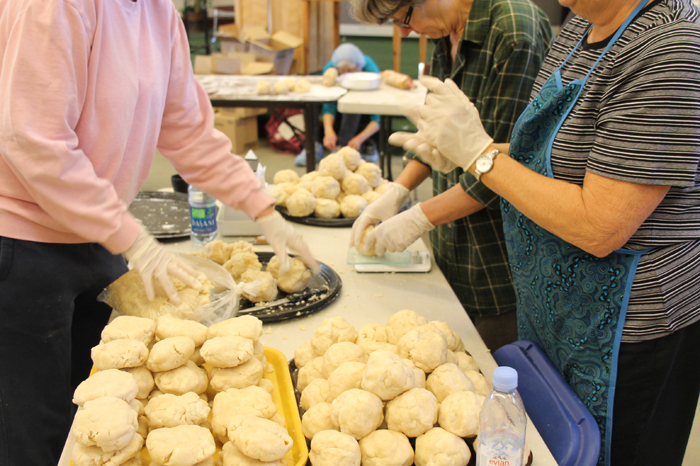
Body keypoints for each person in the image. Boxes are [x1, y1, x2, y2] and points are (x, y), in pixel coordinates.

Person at [0, 1, 318, 465]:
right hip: (25, 244)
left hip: (99, 233)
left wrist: (262, 208)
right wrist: (132, 239)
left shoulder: (158, 12)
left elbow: (187, 130)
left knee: (102, 417)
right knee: (35, 427)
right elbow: (32, 138)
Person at [390, 0, 700, 463]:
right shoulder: (582, 23)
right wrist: (470, 150)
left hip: (624, 326)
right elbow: (559, 147)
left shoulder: (669, 47)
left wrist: (480, 156)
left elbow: (601, 226)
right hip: (556, 303)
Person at [348, 0, 552, 351]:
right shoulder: (447, 30)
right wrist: (396, 191)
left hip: (498, 261)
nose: (407, 32)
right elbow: (437, 134)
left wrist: (417, 218)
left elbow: (503, 169)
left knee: (490, 370)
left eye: (405, 19)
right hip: (452, 241)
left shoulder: (515, 31)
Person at [294, 43, 382, 166]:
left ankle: (344, 146)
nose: (346, 74)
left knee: (351, 104)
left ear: (359, 67)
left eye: (350, 70)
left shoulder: (370, 72)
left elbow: (376, 118)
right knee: (310, 103)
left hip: (360, 110)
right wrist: (328, 131)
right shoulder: (331, 69)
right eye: (343, 70)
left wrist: (359, 139)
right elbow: (328, 105)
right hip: (337, 109)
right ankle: (313, 146)